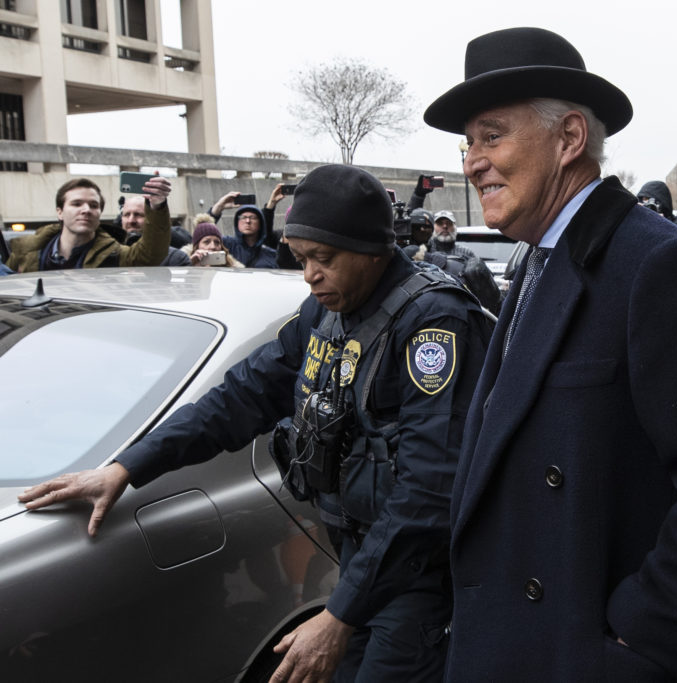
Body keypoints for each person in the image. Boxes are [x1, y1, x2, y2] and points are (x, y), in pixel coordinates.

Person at [18, 164, 494, 683]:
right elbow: (241, 396)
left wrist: (340, 615)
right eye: (302, 258)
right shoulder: (326, 310)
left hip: (415, 571)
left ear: (373, 250)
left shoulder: (433, 323)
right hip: (361, 557)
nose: (310, 275)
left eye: (323, 259)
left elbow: (429, 490)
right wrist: (127, 467)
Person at [423, 26, 677, 682]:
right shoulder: (539, 257)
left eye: (491, 136)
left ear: (568, 138)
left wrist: (640, 639)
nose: (471, 161)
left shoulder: (661, 267)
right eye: (468, 142)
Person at [5, 177, 171, 272]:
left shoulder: (114, 254)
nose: (86, 210)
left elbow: (151, 255)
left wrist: (157, 205)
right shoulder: (26, 252)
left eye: (93, 205)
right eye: (76, 204)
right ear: (60, 212)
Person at [210, 190, 280, 268]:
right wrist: (218, 207)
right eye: (243, 217)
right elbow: (201, 235)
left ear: (261, 223)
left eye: (252, 218)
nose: (247, 221)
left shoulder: (271, 255)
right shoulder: (226, 245)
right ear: (237, 222)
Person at [120, 194, 191, 266]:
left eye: (138, 214)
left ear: (152, 218)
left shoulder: (175, 258)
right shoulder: (114, 253)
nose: (131, 220)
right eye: (127, 215)